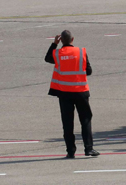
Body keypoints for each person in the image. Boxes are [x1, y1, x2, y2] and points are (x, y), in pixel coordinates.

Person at [46, 30, 98, 159]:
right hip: (81, 92)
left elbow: (47, 58)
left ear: (61, 40)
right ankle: (89, 149)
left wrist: (54, 44)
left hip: (64, 94)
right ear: (72, 39)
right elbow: (89, 71)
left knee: (67, 123)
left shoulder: (57, 54)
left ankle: (70, 151)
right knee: (85, 120)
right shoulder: (81, 52)